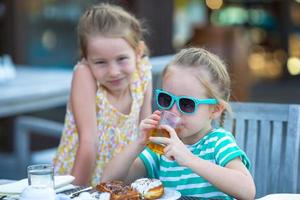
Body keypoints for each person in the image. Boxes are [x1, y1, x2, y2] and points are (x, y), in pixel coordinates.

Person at [101, 47, 256, 199]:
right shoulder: (161, 147)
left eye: (186, 103)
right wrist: (139, 142)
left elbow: (247, 191)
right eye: (166, 99)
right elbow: (109, 181)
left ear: (215, 109)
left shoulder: (218, 142)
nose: (173, 111)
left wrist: (190, 159)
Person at [53, 3, 152, 187]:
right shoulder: (85, 75)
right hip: (80, 178)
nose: (113, 72)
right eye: (100, 62)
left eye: (121, 59)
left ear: (138, 52)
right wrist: (75, 193)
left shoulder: (143, 72)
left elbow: (146, 133)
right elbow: (89, 143)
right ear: (86, 59)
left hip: (121, 178)